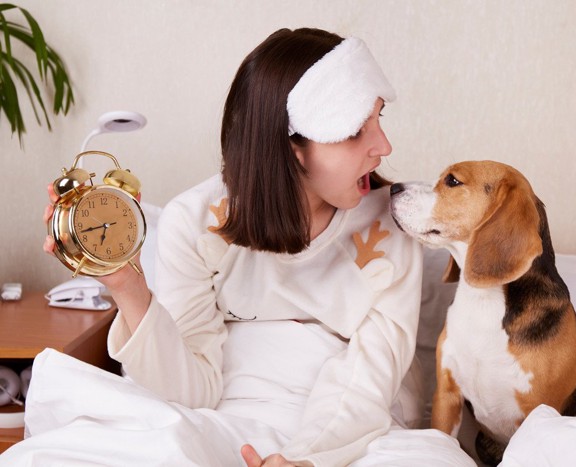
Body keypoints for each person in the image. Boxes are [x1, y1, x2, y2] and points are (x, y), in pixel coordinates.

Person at [2, 28, 474, 466]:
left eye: (379, 119)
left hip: (351, 431)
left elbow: (371, 377)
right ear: (292, 145)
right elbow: (191, 391)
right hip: (224, 413)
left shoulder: (393, 226)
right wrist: (127, 286)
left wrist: (306, 458)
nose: (383, 146)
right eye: (356, 131)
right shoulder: (195, 222)